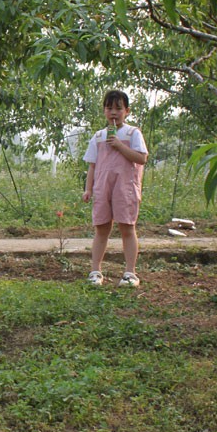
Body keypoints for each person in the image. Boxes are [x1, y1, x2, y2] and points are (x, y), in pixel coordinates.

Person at [81, 90, 149, 287]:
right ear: (104, 111)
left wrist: (119, 145)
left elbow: (142, 158)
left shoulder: (132, 133)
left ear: (126, 111)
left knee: (127, 227)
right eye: (109, 108)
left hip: (125, 187)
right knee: (101, 228)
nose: (113, 112)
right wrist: (88, 189)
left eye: (118, 108)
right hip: (103, 188)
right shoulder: (99, 136)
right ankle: (95, 271)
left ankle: (130, 273)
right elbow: (92, 165)